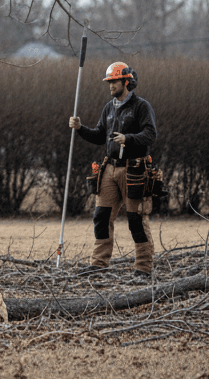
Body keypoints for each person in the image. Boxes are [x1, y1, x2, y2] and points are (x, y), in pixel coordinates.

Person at [69, 61, 157, 278]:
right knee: (101, 216)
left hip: (134, 170)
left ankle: (143, 268)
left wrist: (128, 138)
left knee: (136, 218)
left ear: (126, 81)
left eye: (114, 81)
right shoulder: (108, 107)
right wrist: (80, 129)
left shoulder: (141, 106)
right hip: (109, 169)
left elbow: (150, 135)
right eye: (109, 82)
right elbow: (100, 135)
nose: (110, 86)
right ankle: (98, 265)